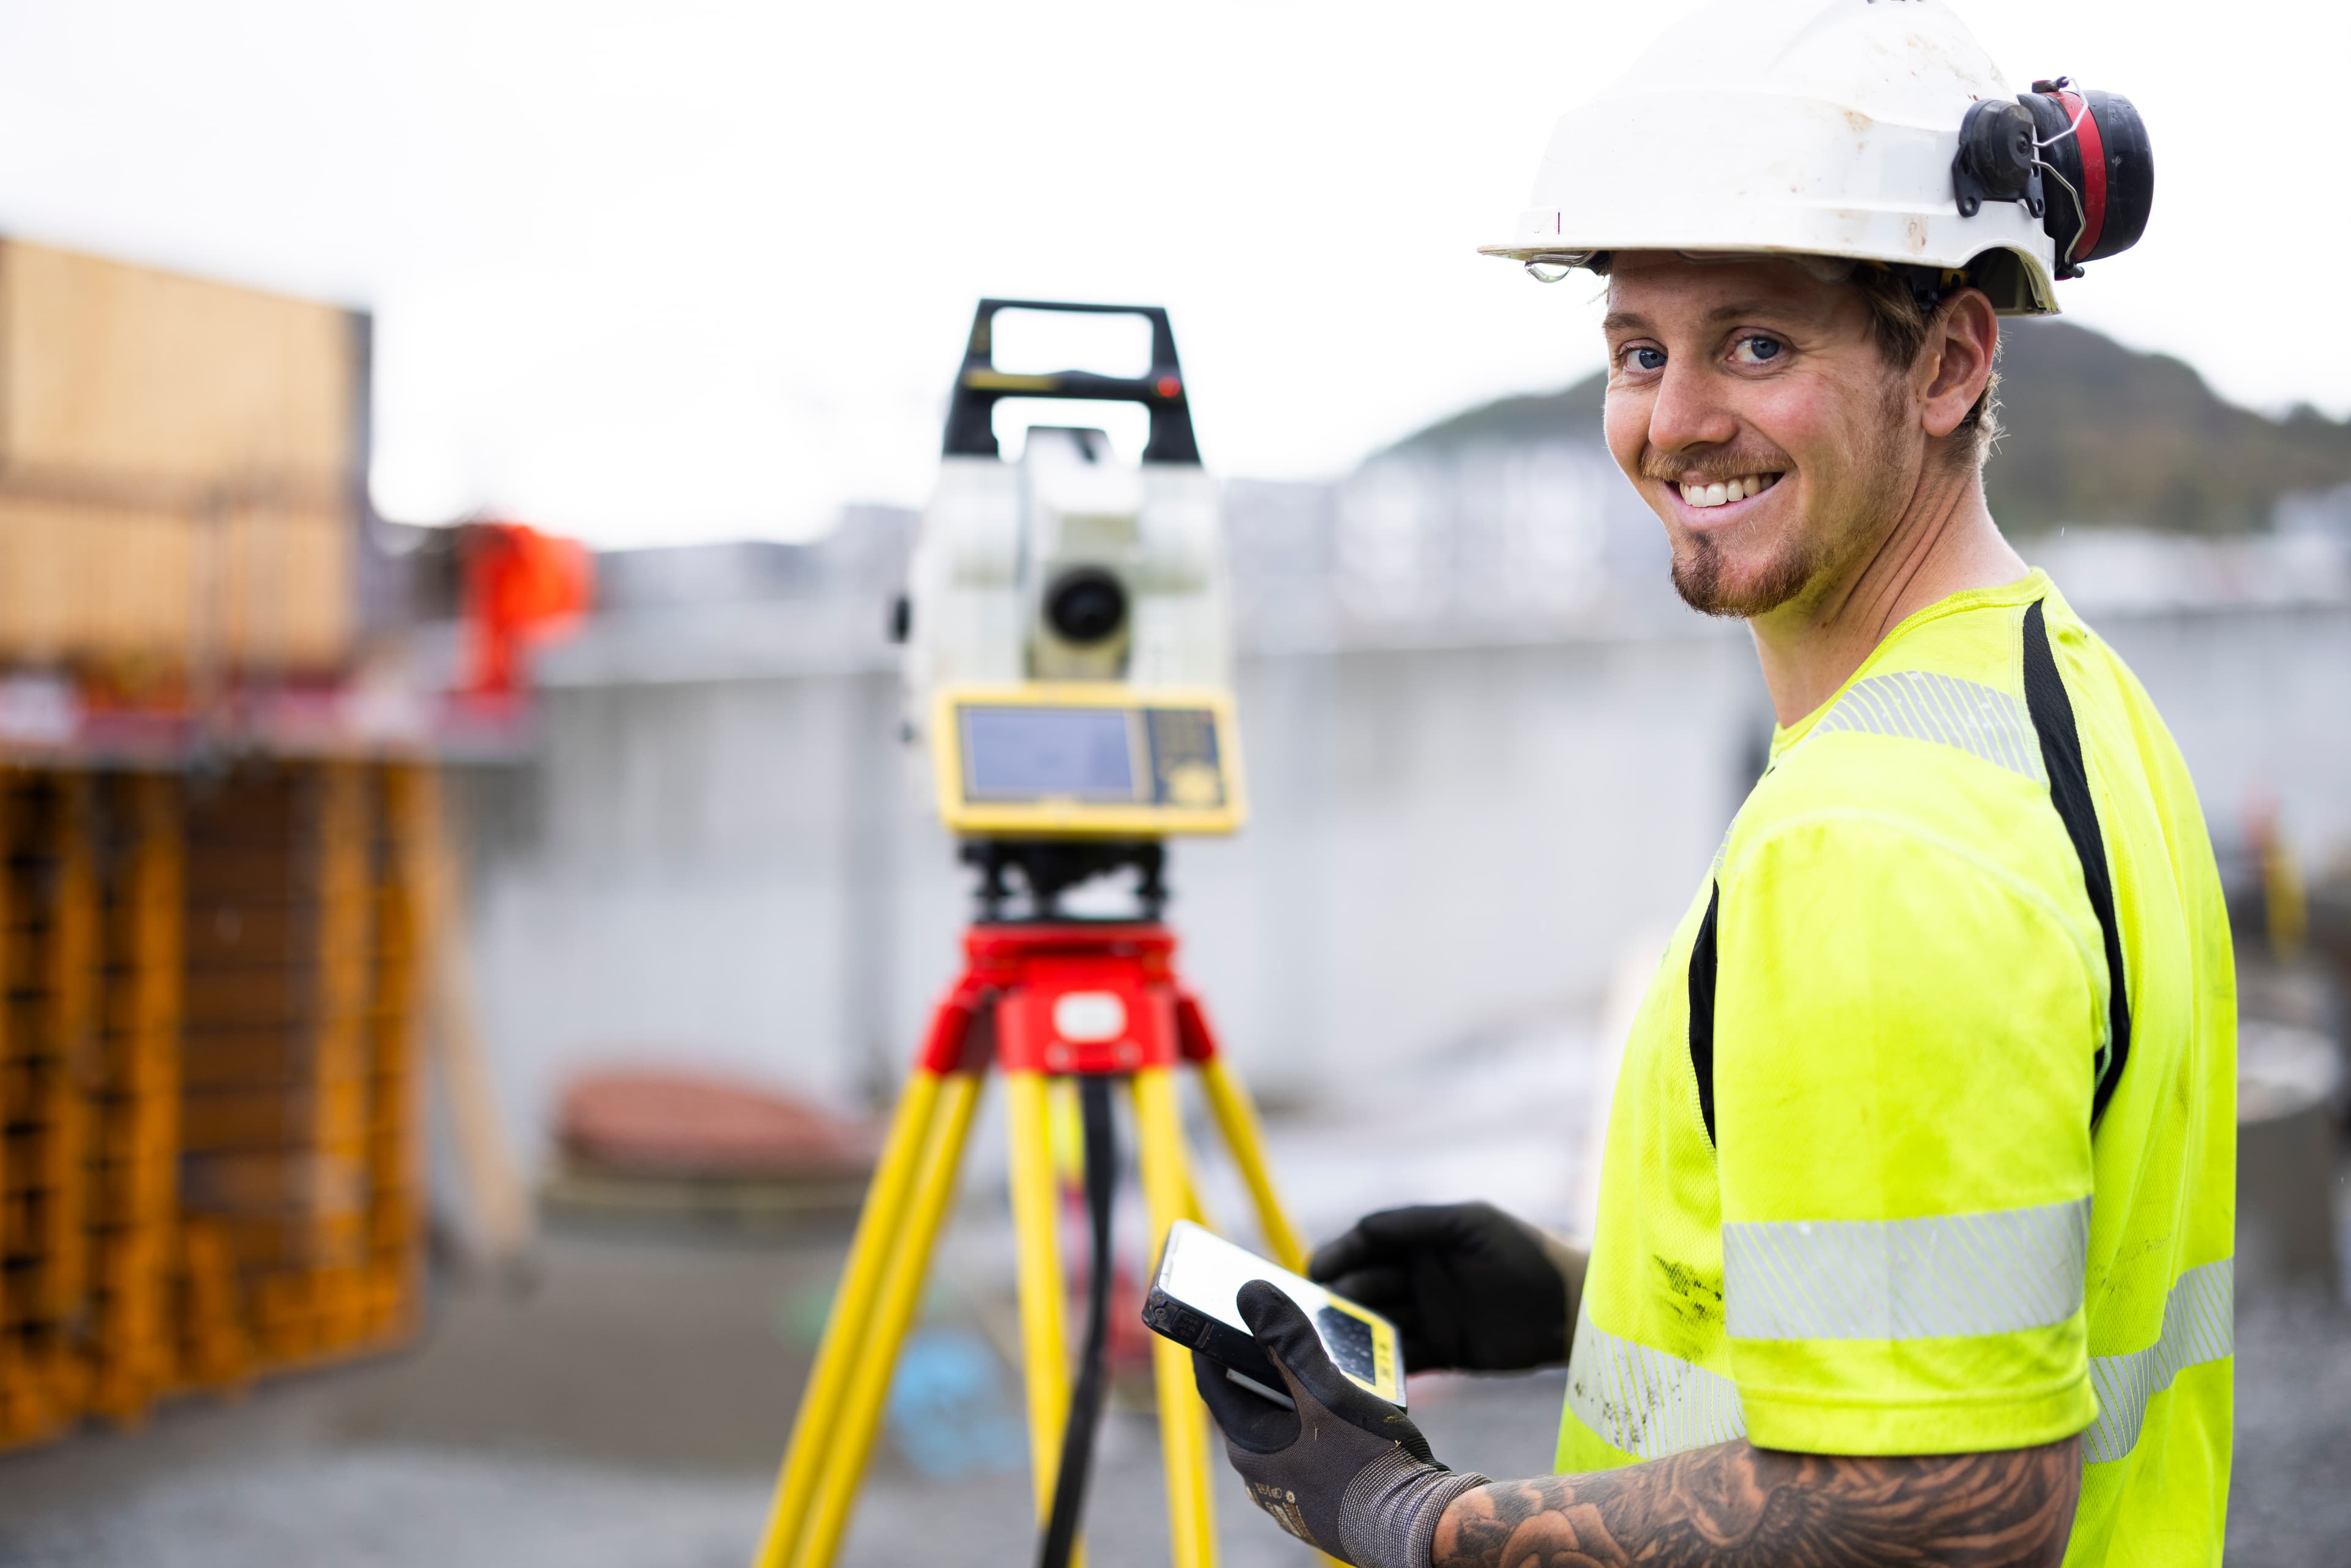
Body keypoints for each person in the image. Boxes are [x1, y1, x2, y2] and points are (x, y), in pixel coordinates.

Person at [1190, 2, 2232, 1565]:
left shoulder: (1874, 842)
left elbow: (1944, 1505)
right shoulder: (2062, 693)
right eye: (1636, 351)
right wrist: (1575, 1284)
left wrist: (1420, 1520)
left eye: (1758, 342)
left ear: (1950, 361)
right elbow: (2004, 1274)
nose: (1675, 423)